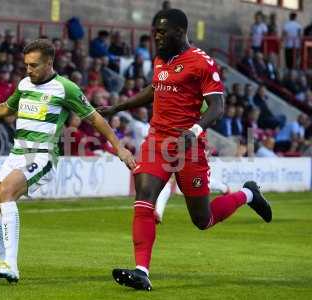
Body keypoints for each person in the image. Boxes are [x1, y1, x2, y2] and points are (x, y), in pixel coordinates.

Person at [98, 9, 272, 291]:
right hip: (157, 142)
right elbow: (154, 90)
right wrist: (118, 106)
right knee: (144, 196)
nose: (156, 36)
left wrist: (194, 130)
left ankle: (248, 193)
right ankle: (142, 270)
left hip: (189, 146)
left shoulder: (202, 63)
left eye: (162, 32)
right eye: (155, 31)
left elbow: (217, 107)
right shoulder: (160, 59)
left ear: (180, 32)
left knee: (203, 220)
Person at [0, 39, 135, 283]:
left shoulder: (65, 88)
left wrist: (120, 147)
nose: (29, 69)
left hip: (41, 155)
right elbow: (6, 108)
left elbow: (95, 119)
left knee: (6, 192)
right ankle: (2, 264)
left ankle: (11, 266)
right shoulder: (24, 83)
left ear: (49, 63)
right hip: (17, 153)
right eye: (26, 65)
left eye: (34, 65)